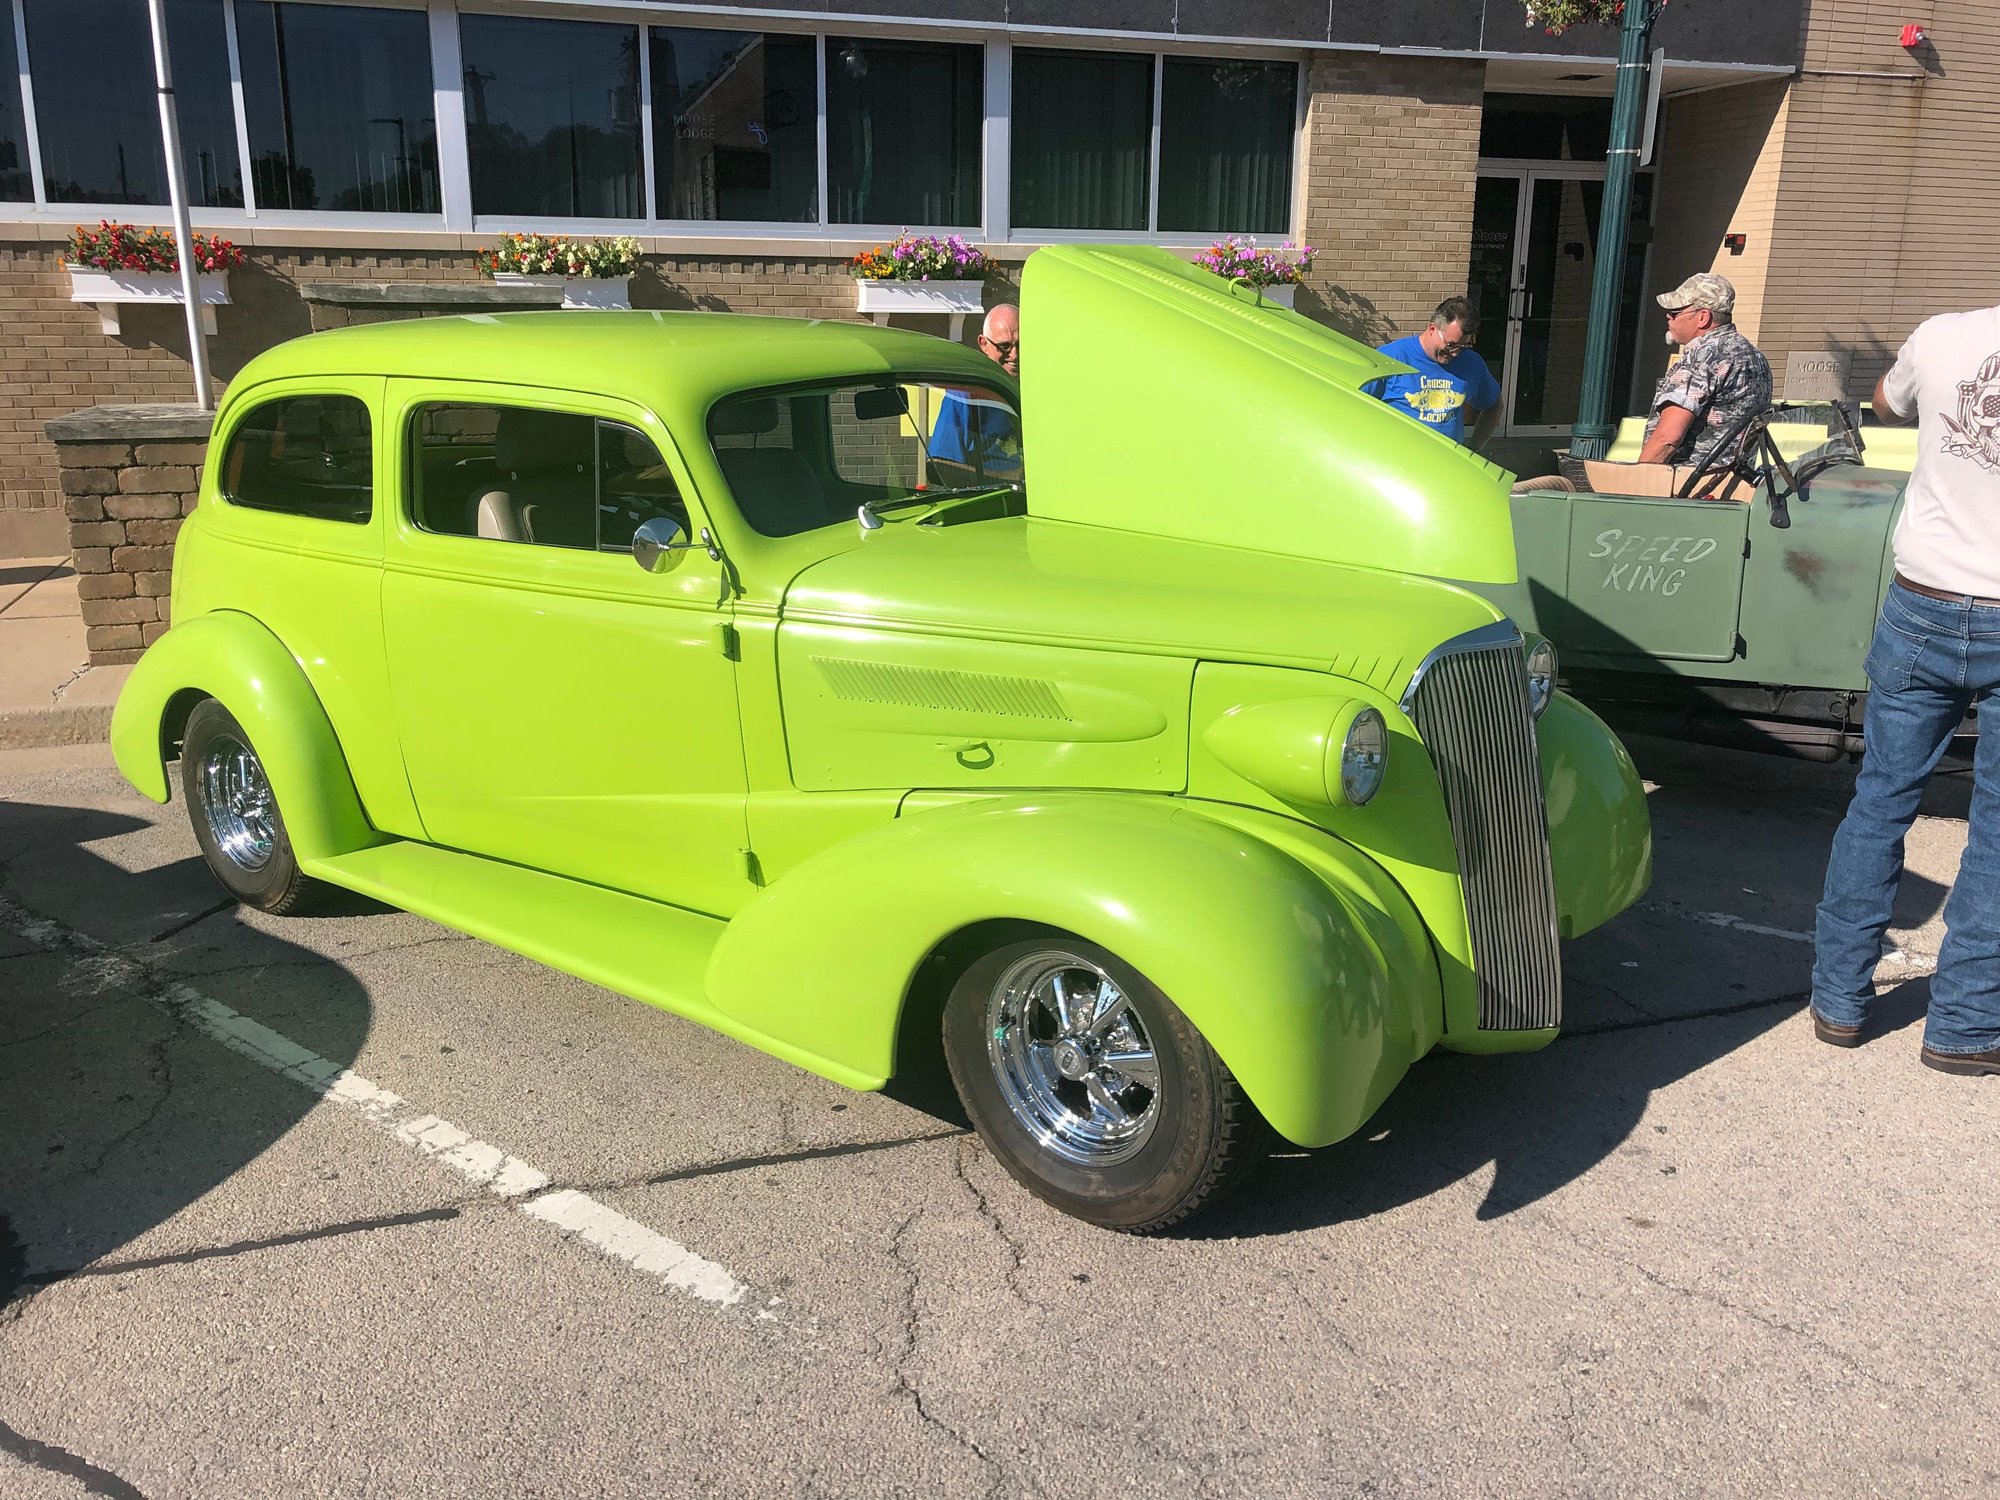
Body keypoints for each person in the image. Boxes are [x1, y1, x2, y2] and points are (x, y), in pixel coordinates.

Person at [1810, 301, 2000, 1072]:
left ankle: (1839, 1001)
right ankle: (1962, 1025)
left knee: (1881, 797)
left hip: (1925, 599)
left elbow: (1886, 402)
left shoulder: (1945, 335)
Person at [1637, 273, 1773, 468]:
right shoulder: (1755, 356)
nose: (1668, 316)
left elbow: (1667, 437)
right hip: (1734, 484)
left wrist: (1637, 482)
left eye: (1676, 312)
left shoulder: (1704, 357)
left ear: (1703, 317)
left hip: (1688, 489)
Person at [1365, 297, 1501, 449]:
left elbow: (1494, 404)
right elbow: (1355, 407)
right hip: (1397, 464)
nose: (1455, 353)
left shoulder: (1471, 363)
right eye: (1451, 345)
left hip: (1448, 465)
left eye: (1463, 346)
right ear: (1432, 329)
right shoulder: (1390, 358)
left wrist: (1475, 449)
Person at [930, 303, 1023, 481]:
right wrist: (1008, 478)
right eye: (1004, 346)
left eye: (1021, 344)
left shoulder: (1039, 387)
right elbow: (939, 466)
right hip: (991, 501)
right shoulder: (965, 395)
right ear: (984, 344)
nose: (1015, 354)